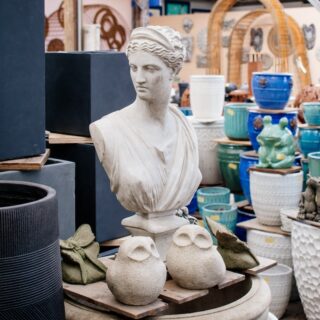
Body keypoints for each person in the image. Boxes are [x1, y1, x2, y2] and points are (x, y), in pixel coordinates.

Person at [89, 26, 202, 215]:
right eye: (134, 68)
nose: (139, 79)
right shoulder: (108, 129)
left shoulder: (185, 128)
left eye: (150, 69)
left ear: (174, 71)